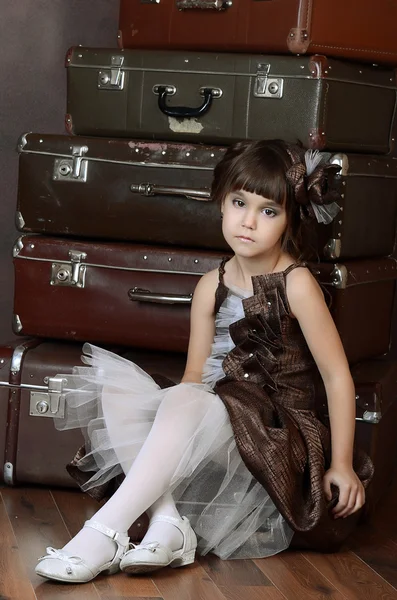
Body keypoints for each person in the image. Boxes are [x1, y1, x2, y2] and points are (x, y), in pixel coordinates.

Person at [35, 140, 373, 584]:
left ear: (290, 219)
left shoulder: (297, 284)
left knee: (188, 401)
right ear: (221, 202)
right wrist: (179, 408)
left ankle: (103, 531)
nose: (248, 222)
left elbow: (335, 375)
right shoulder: (209, 285)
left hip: (271, 431)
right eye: (239, 203)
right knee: (121, 385)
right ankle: (168, 522)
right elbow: (195, 377)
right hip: (210, 414)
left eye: (268, 211)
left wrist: (342, 463)